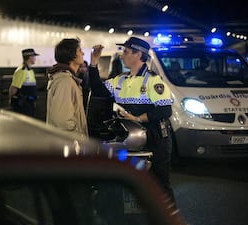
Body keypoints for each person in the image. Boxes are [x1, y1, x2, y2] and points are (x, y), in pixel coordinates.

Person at [88, 37, 175, 201]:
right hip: (130, 139)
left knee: (160, 185)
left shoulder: (153, 80)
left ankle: (168, 224)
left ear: (138, 54)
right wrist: (93, 64)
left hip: (155, 139)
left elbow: (165, 110)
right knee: (129, 186)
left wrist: (138, 118)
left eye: (126, 52)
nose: (122, 55)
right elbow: (98, 90)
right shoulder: (121, 80)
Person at [46, 38, 88, 138]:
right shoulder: (65, 81)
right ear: (72, 55)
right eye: (80, 50)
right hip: (68, 144)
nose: (83, 54)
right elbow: (63, 121)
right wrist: (77, 140)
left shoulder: (66, 78)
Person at [9, 48, 39, 117]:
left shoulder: (30, 70)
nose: (35, 58)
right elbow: (14, 88)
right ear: (30, 57)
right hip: (23, 104)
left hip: (30, 103)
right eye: (34, 56)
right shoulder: (21, 71)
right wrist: (12, 100)